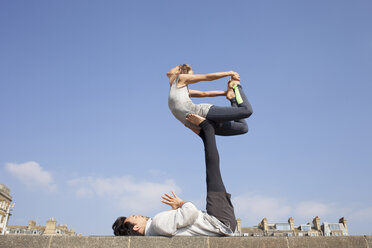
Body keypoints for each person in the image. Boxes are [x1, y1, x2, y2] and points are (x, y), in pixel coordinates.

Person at [112, 114, 237, 236]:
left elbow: (183, 227)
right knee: (212, 170)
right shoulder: (156, 223)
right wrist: (181, 203)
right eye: (135, 217)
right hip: (218, 221)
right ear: (136, 227)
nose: (138, 215)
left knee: (212, 172)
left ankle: (205, 135)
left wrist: (175, 210)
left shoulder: (155, 230)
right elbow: (191, 213)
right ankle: (207, 127)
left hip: (219, 224)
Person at [167, 64, 253, 136]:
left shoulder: (180, 78)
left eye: (174, 67)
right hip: (198, 124)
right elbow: (204, 93)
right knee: (243, 128)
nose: (171, 68)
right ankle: (232, 98)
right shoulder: (178, 90)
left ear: (178, 71)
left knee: (246, 111)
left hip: (199, 112)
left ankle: (236, 86)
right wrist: (224, 93)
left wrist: (229, 73)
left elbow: (207, 77)